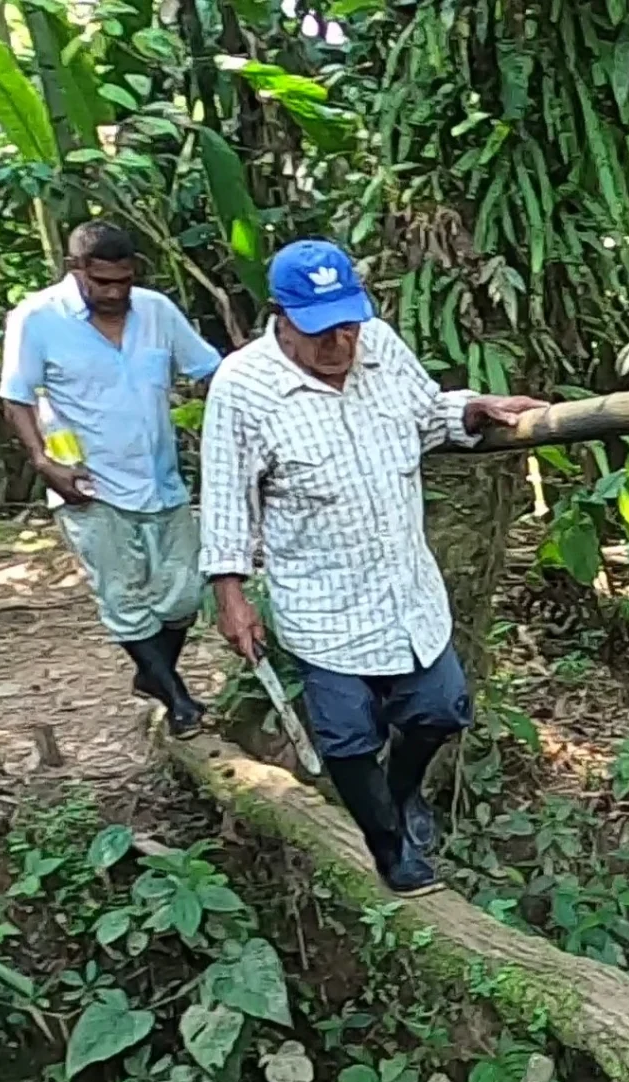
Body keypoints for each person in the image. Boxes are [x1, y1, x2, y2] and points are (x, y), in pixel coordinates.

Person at [198, 239, 545, 896]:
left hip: (405, 588)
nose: (340, 342)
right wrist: (230, 593)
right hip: (323, 605)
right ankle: (390, 851)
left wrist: (472, 408)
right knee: (349, 737)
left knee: (442, 709)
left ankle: (400, 793)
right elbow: (225, 497)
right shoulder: (243, 387)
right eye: (320, 329)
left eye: (348, 323)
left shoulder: (380, 346)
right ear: (280, 316)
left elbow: (426, 414)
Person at [1, 220, 223, 737]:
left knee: (184, 595)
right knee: (122, 596)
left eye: (124, 280)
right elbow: (16, 396)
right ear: (76, 270)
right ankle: (179, 701)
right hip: (87, 482)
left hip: (161, 478)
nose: (115, 292)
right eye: (102, 282)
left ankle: (152, 673)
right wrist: (43, 462)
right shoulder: (37, 318)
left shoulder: (157, 311)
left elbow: (208, 369)